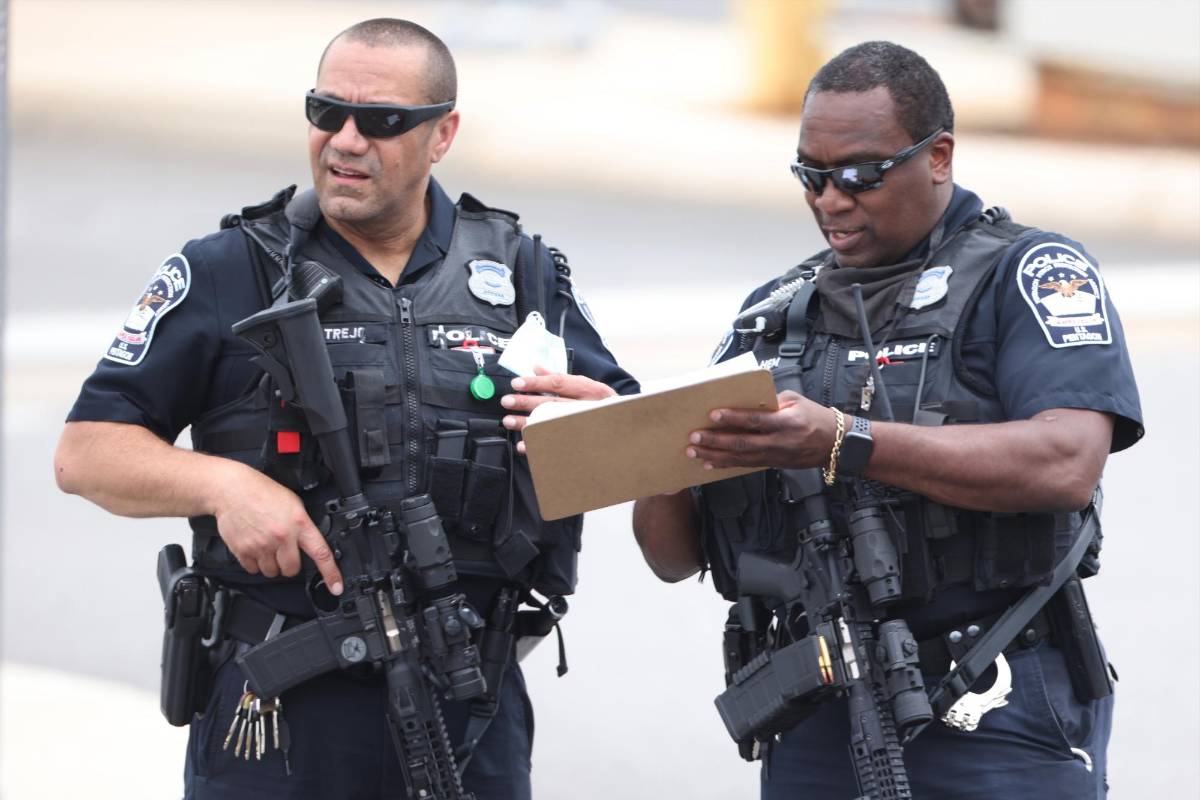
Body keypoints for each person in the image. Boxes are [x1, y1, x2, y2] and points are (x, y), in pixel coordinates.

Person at [54, 18, 636, 800]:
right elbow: (86, 451)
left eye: (383, 121)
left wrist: (594, 425)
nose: (345, 140)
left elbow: (638, 445)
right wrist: (225, 488)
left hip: (471, 702)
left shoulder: (523, 272)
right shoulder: (230, 268)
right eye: (326, 111)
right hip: (280, 716)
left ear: (443, 134)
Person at [632, 41, 1141, 800]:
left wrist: (844, 440)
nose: (832, 199)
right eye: (812, 174)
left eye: (861, 174)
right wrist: (646, 448)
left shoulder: (1026, 274)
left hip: (993, 707)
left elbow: (1066, 463)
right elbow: (673, 557)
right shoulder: (772, 316)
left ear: (938, 157)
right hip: (817, 709)